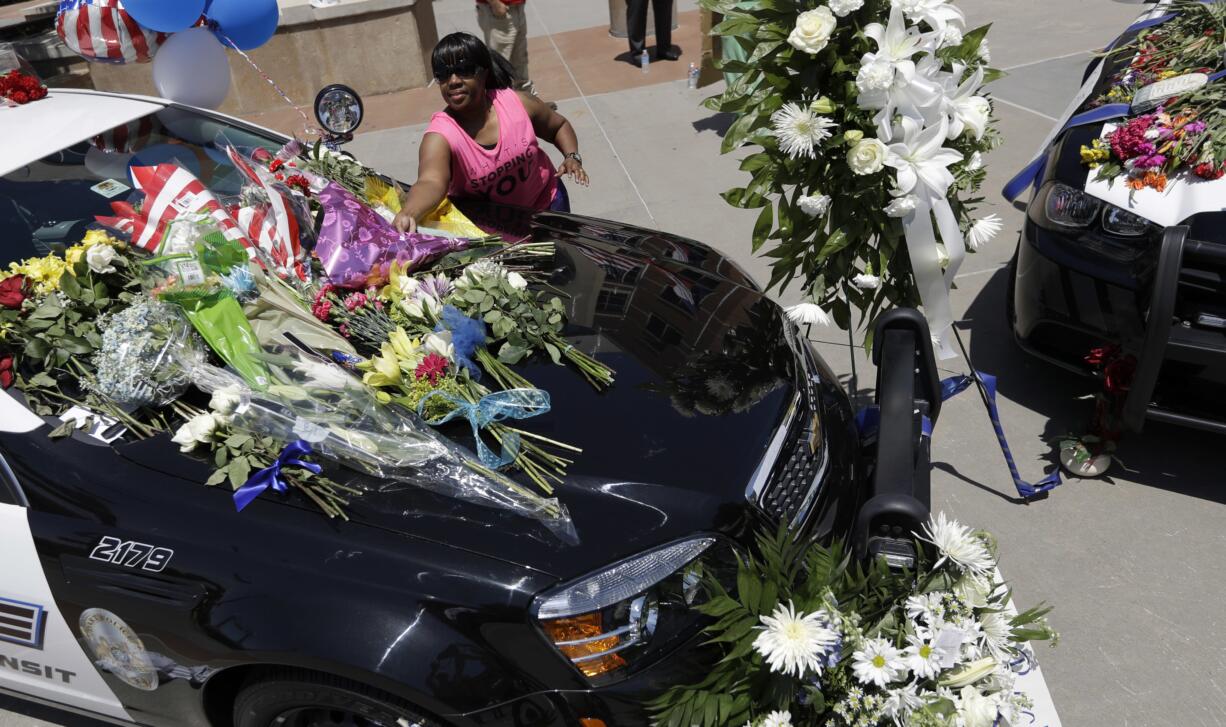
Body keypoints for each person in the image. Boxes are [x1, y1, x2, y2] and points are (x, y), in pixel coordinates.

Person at [394, 33, 588, 234]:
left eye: (463, 70)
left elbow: (558, 126)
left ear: (484, 73)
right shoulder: (440, 136)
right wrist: (409, 212)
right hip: (494, 231)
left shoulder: (519, 104)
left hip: (549, 204)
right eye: (443, 74)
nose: (453, 81)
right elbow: (430, 181)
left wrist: (572, 156)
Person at [475, 0, 534, 96]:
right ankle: (500, 106)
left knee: (520, 60)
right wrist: (495, 3)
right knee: (499, 67)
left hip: (517, 6)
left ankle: (529, 102)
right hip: (498, 11)